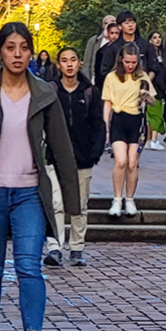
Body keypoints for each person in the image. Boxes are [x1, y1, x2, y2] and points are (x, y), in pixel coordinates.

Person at [0, 22, 80, 331]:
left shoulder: (44, 93)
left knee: (29, 268)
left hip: (29, 195)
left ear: (31, 52)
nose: (17, 54)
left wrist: (73, 201)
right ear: (0, 52)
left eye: (24, 47)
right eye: (11, 47)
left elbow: (62, 150)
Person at [43, 47, 106, 267]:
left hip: (83, 156)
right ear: (58, 65)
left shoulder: (90, 92)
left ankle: (77, 247)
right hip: (56, 157)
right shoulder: (51, 91)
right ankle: (55, 247)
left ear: (79, 63)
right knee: (56, 203)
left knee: (79, 205)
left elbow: (99, 123)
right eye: (64, 61)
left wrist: (96, 150)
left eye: (73, 60)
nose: (69, 64)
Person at [102, 43, 157, 217]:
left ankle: (130, 198)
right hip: (119, 118)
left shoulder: (142, 77)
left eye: (133, 62)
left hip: (136, 120)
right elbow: (107, 102)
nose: (130, 65)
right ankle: (117, 199)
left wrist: (146, 96)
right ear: (121, 60)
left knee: (132, 162)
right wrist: (106, 127)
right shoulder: (112, 77)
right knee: (120, 160)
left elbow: (154, 101)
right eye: (127, 62)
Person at [100, 10, 157, 81]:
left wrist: (146, 81)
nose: (130, 25)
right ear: (119, 26)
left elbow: (154, 68)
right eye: (126, 23)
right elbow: (104, 71)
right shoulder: (113, 48)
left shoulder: (145, 44)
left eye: (133, 22)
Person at [145, 31, 166, 150]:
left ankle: (151, 139)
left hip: (161, 88)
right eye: (154, 37)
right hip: (153, 88)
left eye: (159, 37)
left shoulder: (162, 55)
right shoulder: (150, 57)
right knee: (154, 115)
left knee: (156, 114)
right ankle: (152, 140)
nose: (158, 40)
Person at [82, 15, 116, 83]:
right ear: (103, 26)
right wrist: (87, 81)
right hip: (95, 79)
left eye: (112, 22)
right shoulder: (94, 41)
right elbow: (87, 63)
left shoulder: (121, 41)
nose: (109, 24)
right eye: (106, 23)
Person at [94, 22, 121, 92]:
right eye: (112, 33)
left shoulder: (124, 49)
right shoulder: (101, 51)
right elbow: (98, 71)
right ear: (108, 34)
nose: (114, 36)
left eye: (116, 33)